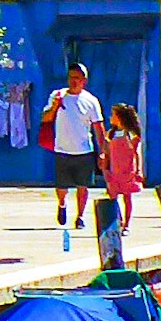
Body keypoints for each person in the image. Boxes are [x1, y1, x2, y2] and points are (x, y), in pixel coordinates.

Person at [43, 63, 108, 243]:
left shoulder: (91, 101)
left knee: (83, 185)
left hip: (84, 149)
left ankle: (79, 216)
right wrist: (55, 106)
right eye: (71, 77)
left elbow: (98, 127)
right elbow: (46, 118)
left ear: (84, 81)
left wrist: (102, 152)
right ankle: (62, 204)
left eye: (77, 78)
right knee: (62, 186)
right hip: (62, 148)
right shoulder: (58, 95)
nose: (73, 81)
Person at [98, 103, 145, 266]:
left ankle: (127, 223)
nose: (111, 118)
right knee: (112, 197)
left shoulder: (129, 133)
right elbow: (107, 151)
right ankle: (116, 221)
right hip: (114, 171)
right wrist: (104, 160)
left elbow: (136, 152)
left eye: (113, 114)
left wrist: (139, 170)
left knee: (127, 197)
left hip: (127, 170)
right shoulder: (111, 134)